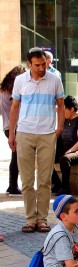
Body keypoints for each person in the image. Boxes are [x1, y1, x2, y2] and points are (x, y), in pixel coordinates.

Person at [8, 48, 65, 233]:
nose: (42, 68)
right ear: (29, 64)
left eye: (44, 64)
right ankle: (30, 219)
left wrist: (60, 127)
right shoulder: (20, 80)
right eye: (38, 65)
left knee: (44, 179)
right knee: (26, 179)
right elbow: (15, 107)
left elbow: (61, 105)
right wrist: (11, 133)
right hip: (24, 133)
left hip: (48, 134)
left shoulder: (54, 79)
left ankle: (42, 219)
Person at [52, 96, 78, 195]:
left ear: (71, 109)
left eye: (64, 109)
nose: (61, 111)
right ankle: (57, 184)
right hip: (67, 149)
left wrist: (70, 151)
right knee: (45, 157)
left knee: (64, 159)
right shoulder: (65, 119)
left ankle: (66, 188)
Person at [0, 65, 26, 195]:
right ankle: (13, 185)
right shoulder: (14, 93)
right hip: (16, 127)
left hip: (6, 127)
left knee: (15, 156)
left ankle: (13, 185)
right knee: (16, 157)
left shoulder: (2, 91)